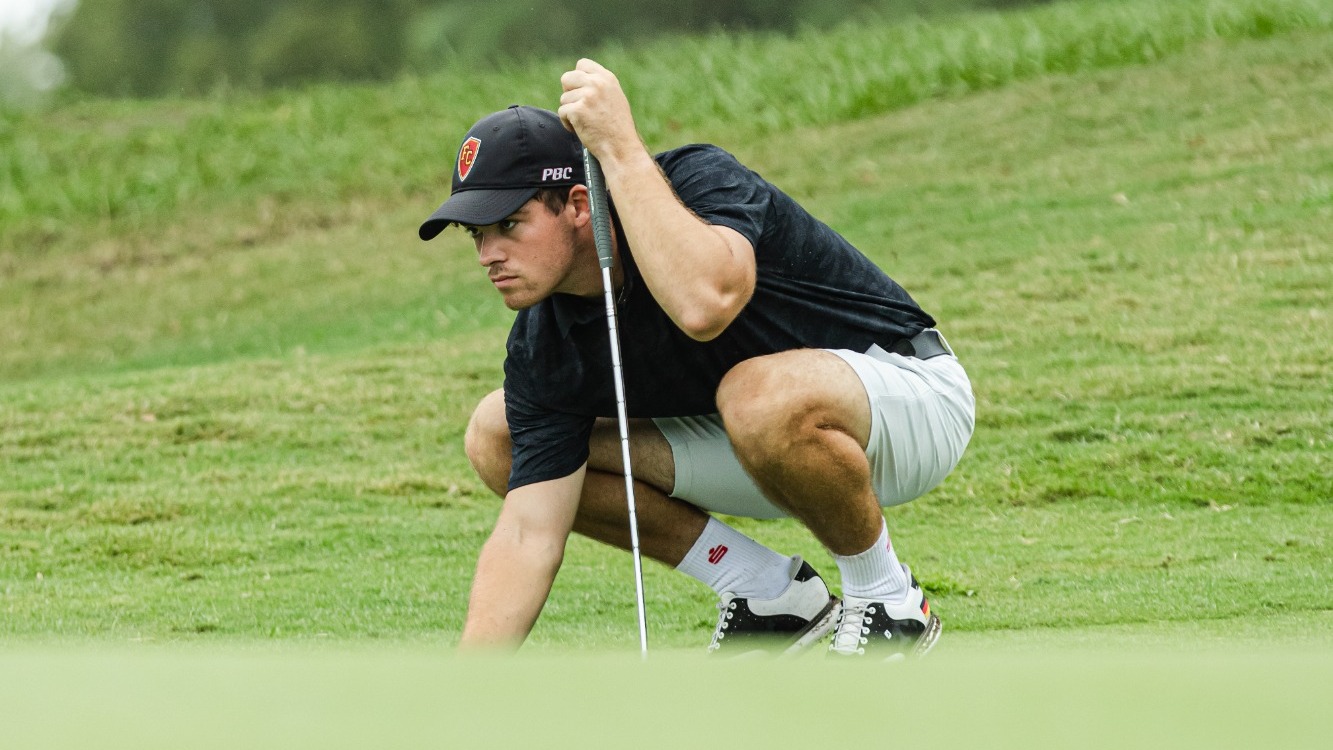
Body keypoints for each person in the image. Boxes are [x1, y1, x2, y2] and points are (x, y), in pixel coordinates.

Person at [418, 59, 975, 658]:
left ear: (579, 204)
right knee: (497, 433)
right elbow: (529, 535)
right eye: (477, 234)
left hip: (907, 403)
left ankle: (887, 599)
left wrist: (621, 149)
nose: (488, 254)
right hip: (753, 444)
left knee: (755, 395)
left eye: (509, 224)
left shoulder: (698, 181)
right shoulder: (544, 344)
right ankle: (767, 595)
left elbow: (705, 303)